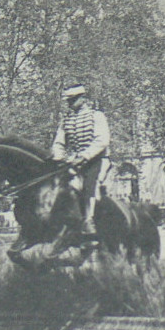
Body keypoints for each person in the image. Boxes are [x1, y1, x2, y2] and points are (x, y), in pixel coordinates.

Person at [51, 84, 110, 238]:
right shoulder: (67, 120)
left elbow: (102, 141)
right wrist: (59, 158)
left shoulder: (96, 116)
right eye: (68, 101)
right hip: (75, 162)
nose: (70, 104)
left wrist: (84, 156)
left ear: (83, 98)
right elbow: (59, 143)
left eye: (73, 100)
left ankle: (89, 220)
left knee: (90, 186)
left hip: (97, 160)